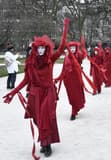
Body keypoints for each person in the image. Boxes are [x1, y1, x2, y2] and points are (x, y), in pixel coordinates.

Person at [3, 18, 69, 158]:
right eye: (38, 48)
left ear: (46, 48)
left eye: (43, 48)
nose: (40, 50)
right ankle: (44, 142)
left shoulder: (51, 58)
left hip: (48, 92)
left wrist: (65, 28)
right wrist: (13, 93)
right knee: (38, 119)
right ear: (34, 48)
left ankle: (48, 144)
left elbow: (62, 46)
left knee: (46, 116)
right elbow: (26, 80)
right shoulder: (30, 62)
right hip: (35, 93)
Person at [56, 40, 87, 121]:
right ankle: (75, 108)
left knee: (76, 95)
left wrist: (83, 47)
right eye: (71, 48)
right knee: (71, 96)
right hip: (68, 81)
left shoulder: (78, 56)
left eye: (74, 48)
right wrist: (58, 79)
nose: (72, 49)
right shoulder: (66, 58)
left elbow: (84, 55)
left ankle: (74, 111)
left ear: (76, 48)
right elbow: (63, 70)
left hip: (76, 79)